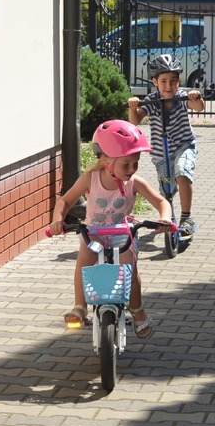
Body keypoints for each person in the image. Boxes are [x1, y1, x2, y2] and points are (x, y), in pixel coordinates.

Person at [48, 119, 172, 337]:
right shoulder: (90, 179)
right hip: (94, 234)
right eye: (126, 164)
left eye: (135, 163)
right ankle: (80, 306)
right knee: (84, 260)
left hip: (123, 235)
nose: (132, 169)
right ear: (106, 160)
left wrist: (165, 218)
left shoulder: (135, 182)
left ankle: (137, 310)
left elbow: (162, 202)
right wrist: (57, 220)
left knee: (129, 267)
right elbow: (65, 201)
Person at [127, 54, 205, 238]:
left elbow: (199, 107)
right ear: (155, 82)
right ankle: (167, 217)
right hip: (161, 153)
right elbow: (135, 121)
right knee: (167, 191)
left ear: (179, 81)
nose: (169, 86)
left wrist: (195, 97)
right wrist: (133, 106)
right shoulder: (152, 100)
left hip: (183, 145)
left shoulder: (182, 96)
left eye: (173, 81)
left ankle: (186, 218)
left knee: (182, 173)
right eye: (163, 81)